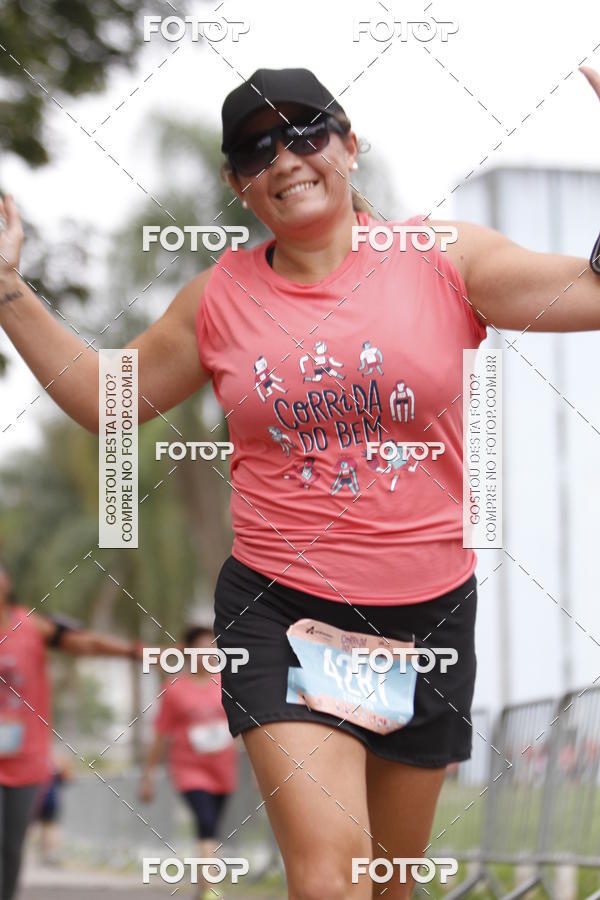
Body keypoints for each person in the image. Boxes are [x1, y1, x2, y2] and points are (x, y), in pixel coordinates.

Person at [2, 64, 600, 899]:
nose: (285, 156)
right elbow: (112, 400)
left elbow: (592, 291)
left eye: (307, 130)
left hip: (428, 617)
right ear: (237, 184)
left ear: (350, 146)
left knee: (390, 883)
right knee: (331, 876)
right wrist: (7, 289)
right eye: (256, 147)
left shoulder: (442, 258)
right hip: (284, 611)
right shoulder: (219, 299)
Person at [0, 562, 140, 900]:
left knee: (10, 845)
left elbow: (87, 644)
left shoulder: (32, 625)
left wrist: (137, 651)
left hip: (26, 759)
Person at [139, 624, 238, 900]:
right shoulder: (173, 689)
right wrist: (148, 776)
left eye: (212, 649)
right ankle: (211, 889)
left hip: (223, 768)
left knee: (211, 827)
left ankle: (202, 883)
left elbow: (244, 727)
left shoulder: (226, 683)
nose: (207, 654)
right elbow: (160, 734)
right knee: (206, 822)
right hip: (189, 769)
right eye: (200, 649)